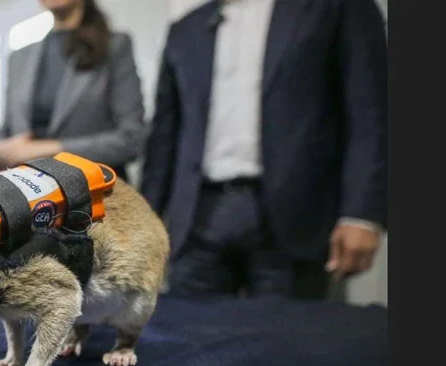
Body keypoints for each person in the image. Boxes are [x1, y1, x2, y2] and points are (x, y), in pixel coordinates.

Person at [140, 0, 388, 299]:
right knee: (187, 327)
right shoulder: (186, 29)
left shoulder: (332, 8)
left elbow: (370, 113)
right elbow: (164, 136)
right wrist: (141, 222)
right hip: (198, 219)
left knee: (288, 328)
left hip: (295, 219)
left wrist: (362, 214)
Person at [0, 0, 145, 182]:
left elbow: (131, 139)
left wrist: (47, 149)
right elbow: (7, 131)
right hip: (30, 191)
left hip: (94, 190)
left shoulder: (114, 46)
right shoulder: (19, 59)